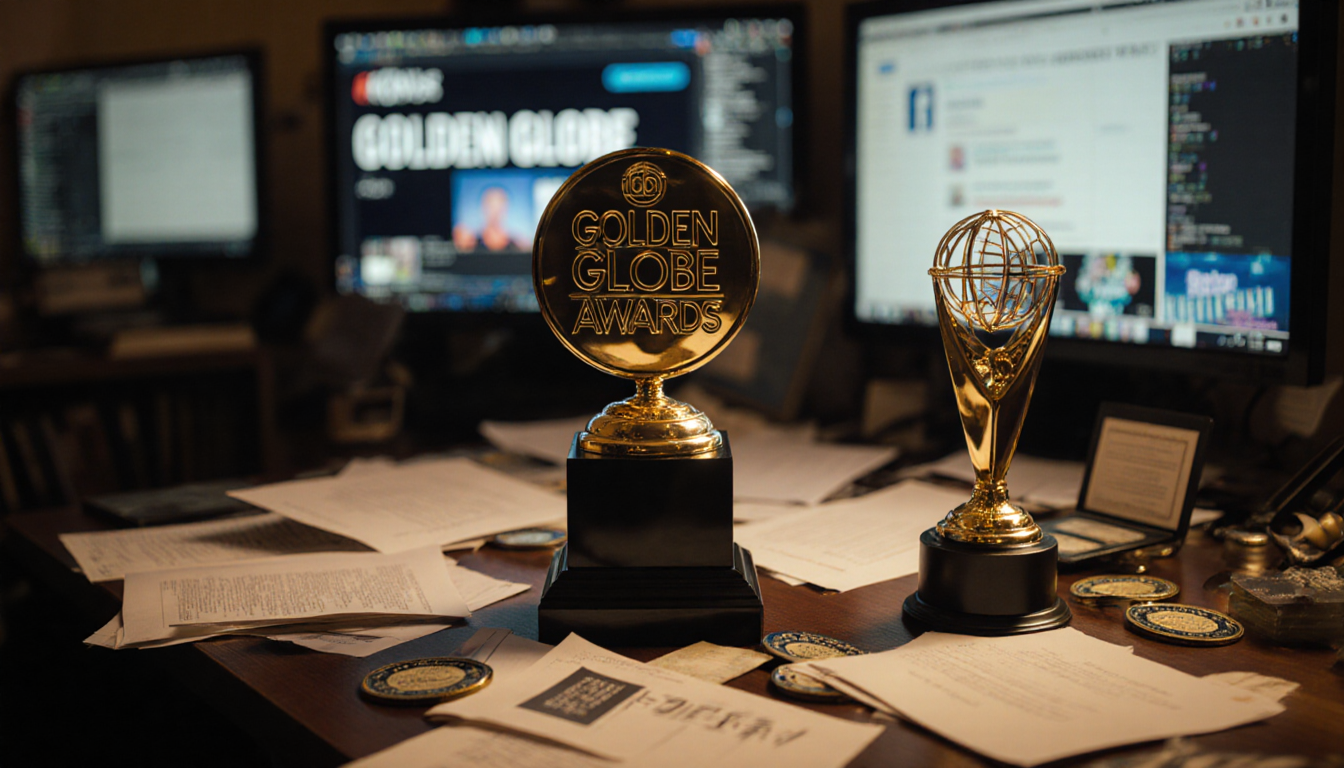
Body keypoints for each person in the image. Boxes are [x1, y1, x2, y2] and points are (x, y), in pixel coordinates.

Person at [453, 185, 529, 252]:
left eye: (499, 205)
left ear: (505, 209)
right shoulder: (470, 245)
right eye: (491, 205)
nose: (495, 212)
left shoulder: (517, 246)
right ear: (483, 207)